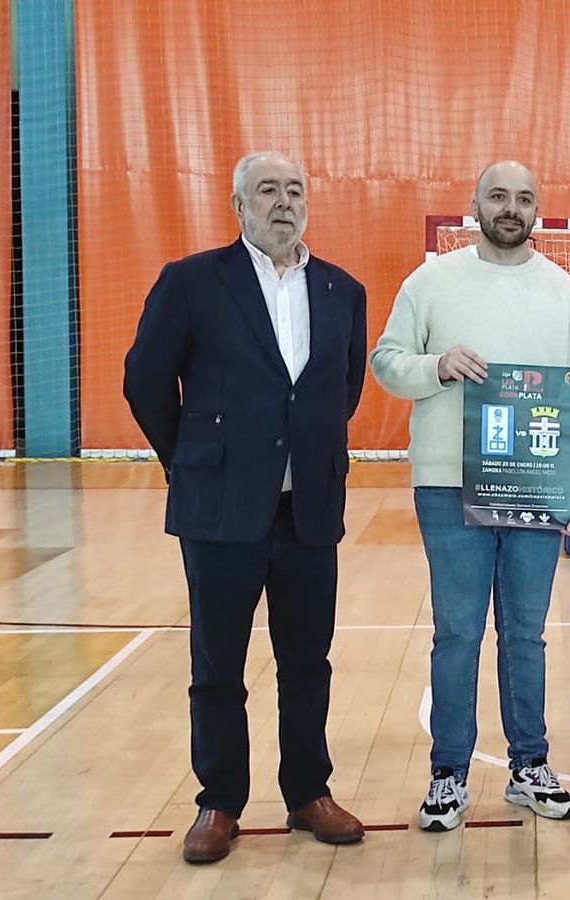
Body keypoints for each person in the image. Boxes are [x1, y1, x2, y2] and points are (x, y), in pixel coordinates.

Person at [123, 151, 368, 864]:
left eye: (295, 189)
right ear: (239, 206)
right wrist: (194, 460)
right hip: (219, 510)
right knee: (217, 666)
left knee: (307, 662)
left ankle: (308, 794)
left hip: (309, 511)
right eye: (268, 190)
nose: (284, 202)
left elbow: (340, 393)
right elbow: (145, 383)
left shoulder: (342, 290)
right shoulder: (192, 282)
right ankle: (219, 802)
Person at [371, 161, 570, 828]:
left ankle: (529, 765)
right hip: (448, 488)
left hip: (536, 484)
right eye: (498, 196)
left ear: (537, 210)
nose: (511, 207)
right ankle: (448, 773)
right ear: (475, 204)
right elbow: (385, 362)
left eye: (524, 198)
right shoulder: (432, 282)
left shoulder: (565, 296)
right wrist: (436, 366)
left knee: (525, 636)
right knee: (456, 634)